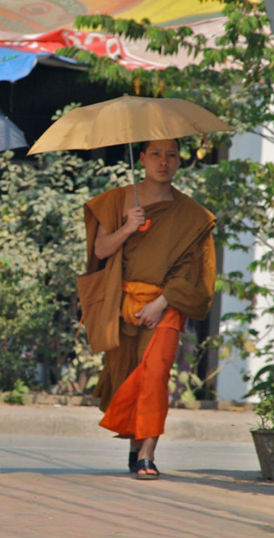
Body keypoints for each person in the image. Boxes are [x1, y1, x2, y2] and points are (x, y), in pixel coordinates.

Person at [83, 139, 216, 480]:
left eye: (171, 155)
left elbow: (193, 271)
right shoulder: (116, 201)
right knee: (127, 373)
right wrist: (128, 227)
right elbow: (100, 250)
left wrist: (162, 302)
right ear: (141, 159)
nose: (164, 162)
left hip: (166, 303)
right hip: (122, 301)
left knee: (155, 375)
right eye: (156, 154)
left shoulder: (191, 215)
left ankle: (147, 453)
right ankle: (134, 444)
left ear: (179, 162)